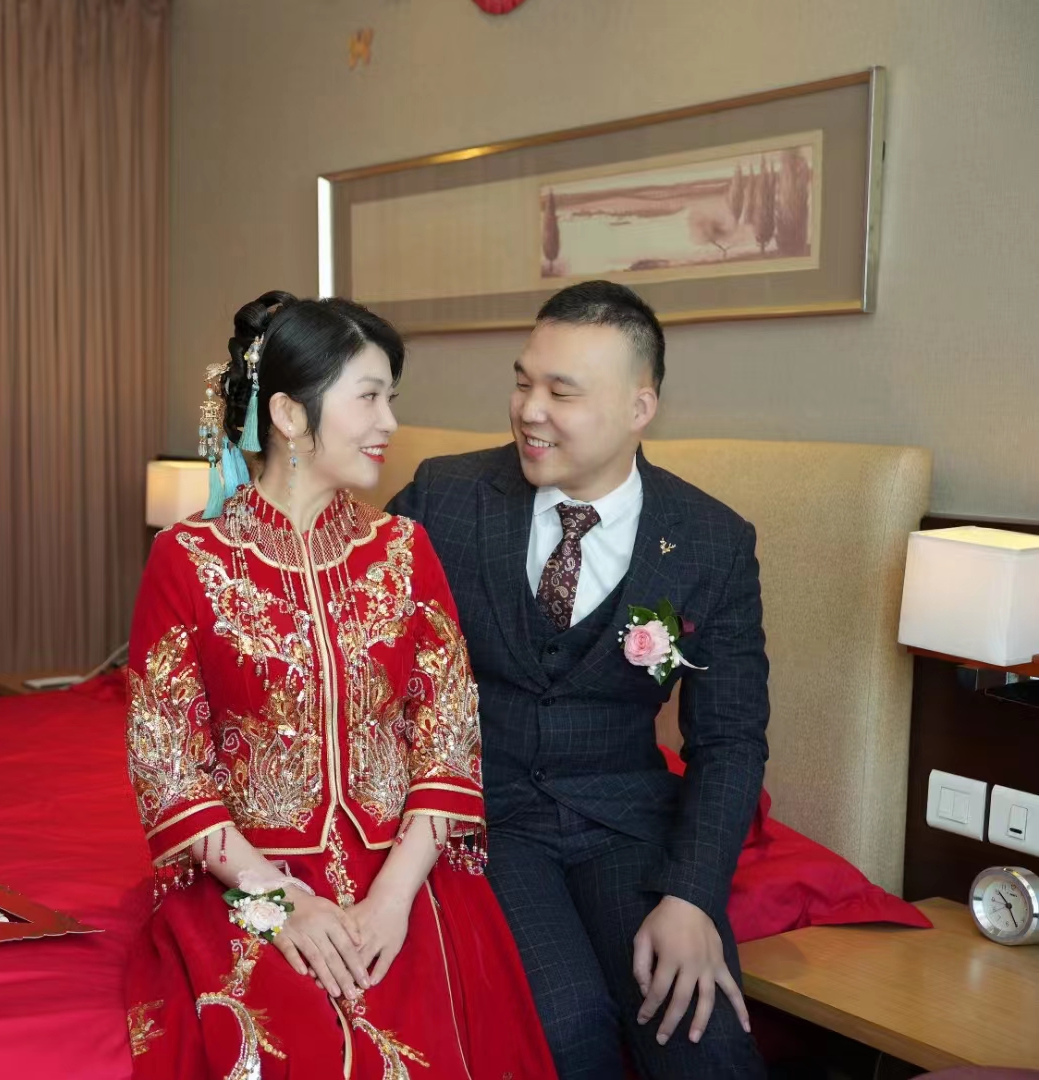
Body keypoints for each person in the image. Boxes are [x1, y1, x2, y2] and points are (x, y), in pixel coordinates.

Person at [124, 291, 557, 1079]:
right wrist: (277, 900)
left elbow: (449, 739)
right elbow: (168, 767)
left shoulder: (405, 550)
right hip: (242, 877)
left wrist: (392, 899)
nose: (389, 421)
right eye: (369, 397)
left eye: (391, 397)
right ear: (290, 415)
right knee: (296, 1041)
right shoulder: (186, 560)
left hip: (405, 875)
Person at [387, 280, 769, 1079]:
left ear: (639, 407)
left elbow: (730, 739)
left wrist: (693, 895)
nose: (529, 410)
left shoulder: (712, 541)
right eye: (523, 382)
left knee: (702, 1038)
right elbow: (362, 654)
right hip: (488, 821)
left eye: (561, 393)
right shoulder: (445, 497)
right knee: (564, 1029)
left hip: (623, 823)